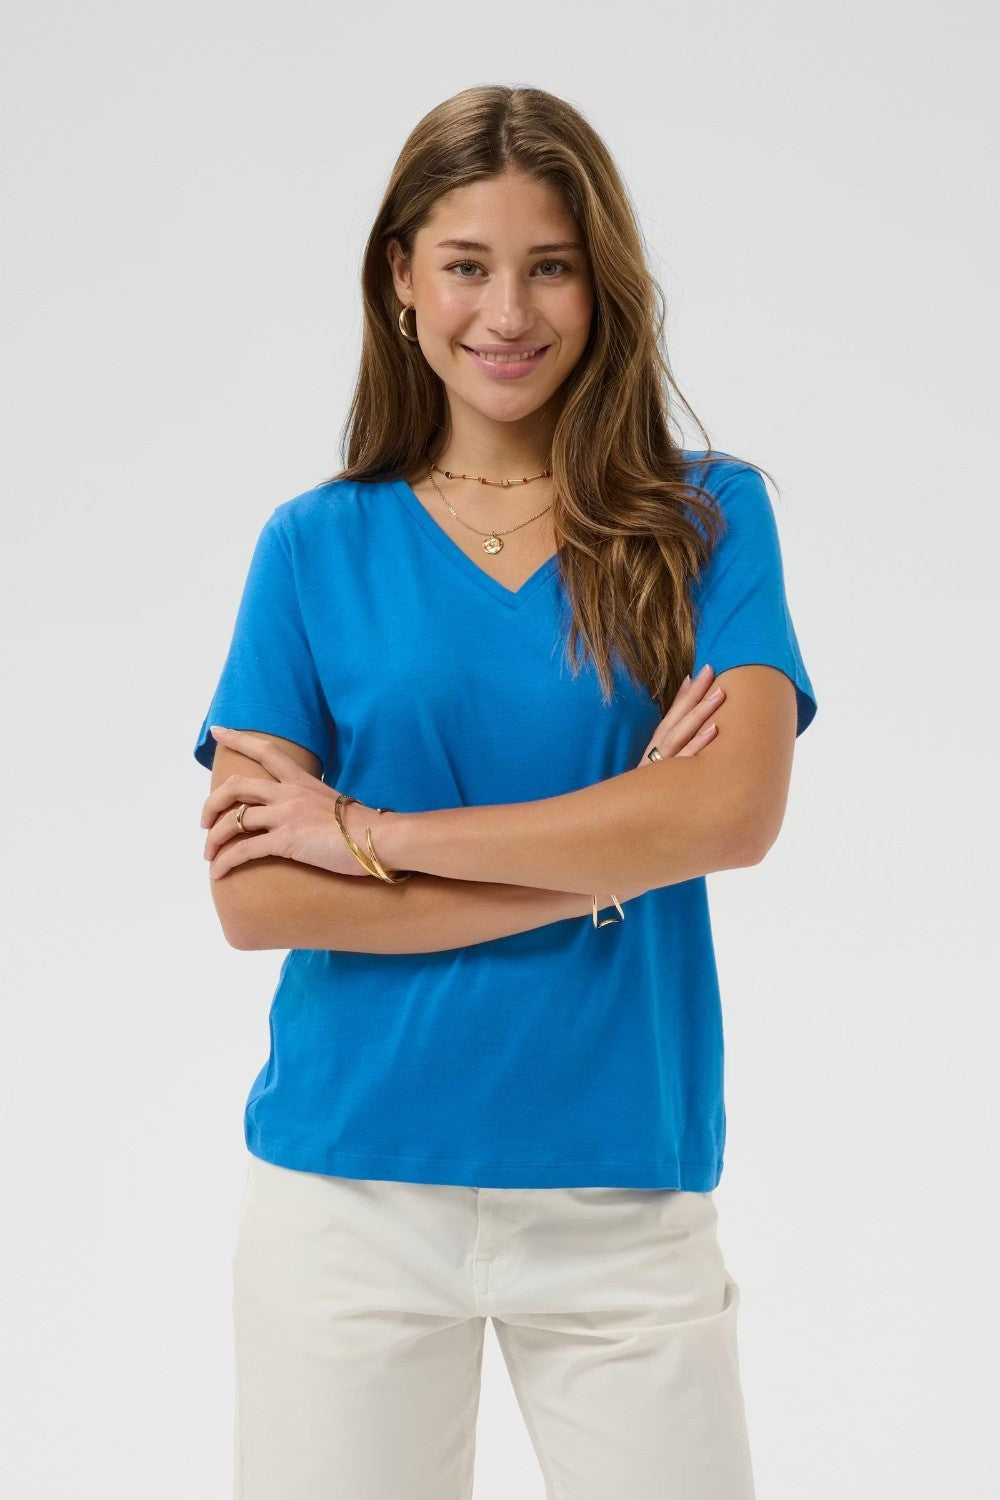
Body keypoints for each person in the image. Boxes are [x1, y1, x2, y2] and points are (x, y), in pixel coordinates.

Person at [194, 84, 817, 1500]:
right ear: (403, 279)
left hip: (620, 1184)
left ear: (602, 282)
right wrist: (611, 847)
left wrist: (376, 836)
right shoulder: (313, 547)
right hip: (349, 1191)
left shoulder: (706, 520)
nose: (508, 310)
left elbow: (732, 815)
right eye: (467, 264)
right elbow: (259, 898)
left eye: (549, 264)